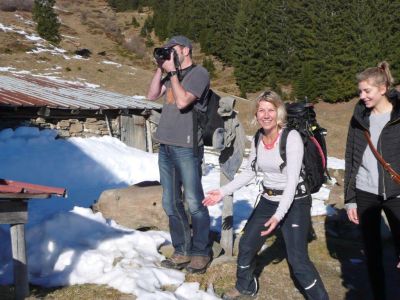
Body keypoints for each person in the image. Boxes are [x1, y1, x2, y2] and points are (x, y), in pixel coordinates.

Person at [203, 91, 329, 299]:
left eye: (271, 110)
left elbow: (291, 182)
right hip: (269, 199)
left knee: (298, 260)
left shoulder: (291, 138)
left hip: (295, 200)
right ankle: (245, 286)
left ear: (279, 112)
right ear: (256, 114)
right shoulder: (258, 138)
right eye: (261, 110)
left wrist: (278, 216)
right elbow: (250, 171)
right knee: (246, 245)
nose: (266, 115)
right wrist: (222, 191)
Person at [147, 35, 212, 273]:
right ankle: (182, 250)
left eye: (171, 49)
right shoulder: (169, 74)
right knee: (170, 202)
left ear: (185, 49)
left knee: (194, 202)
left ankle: (201, 252)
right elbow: (152, 95)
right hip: (165, 145)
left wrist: (173, 73)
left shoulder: (199, 74)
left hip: (186, 147)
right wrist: (159, 68)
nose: (168, 53)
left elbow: (184, 102)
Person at [344, 61, 400, 300]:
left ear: (383, 88)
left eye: (367, 91)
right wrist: (350, 199)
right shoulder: (359, 118)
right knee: (372, 253)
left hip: (397, 193)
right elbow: (351, 156)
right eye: (360, 91)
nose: (362, 96)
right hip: (365, 191)